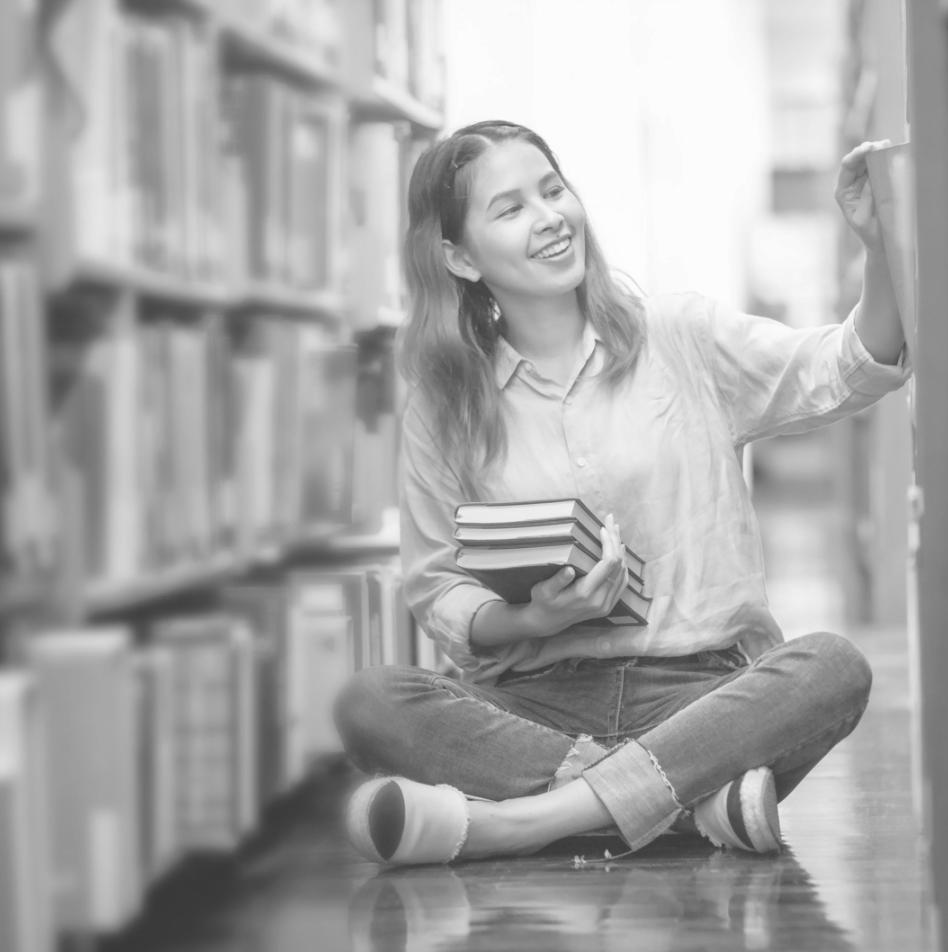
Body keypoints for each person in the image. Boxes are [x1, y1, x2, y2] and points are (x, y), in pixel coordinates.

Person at [333, 119, 910, 865]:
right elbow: (438, 587)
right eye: (510, 209)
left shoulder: (679, 336)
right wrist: (532, 617)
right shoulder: (444, 406)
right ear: (460, 257)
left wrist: (880, 245)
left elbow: (849, 366)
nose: (549, 217)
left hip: (701, 698)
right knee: (370, 701)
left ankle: (524, 822)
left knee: (831, 668)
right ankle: (692, 804)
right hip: (535, 705)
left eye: (553, 190)